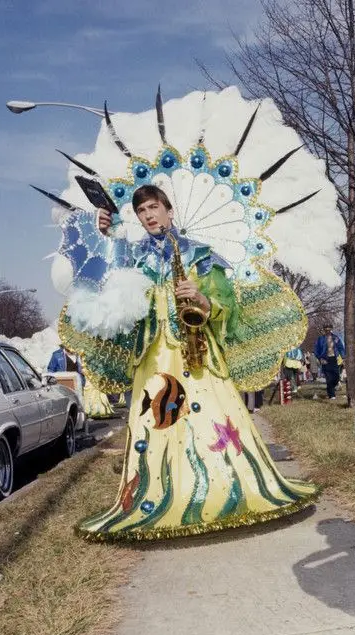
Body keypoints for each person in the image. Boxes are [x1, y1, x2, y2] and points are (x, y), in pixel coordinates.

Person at [57, 184, 318, 539]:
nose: (148, 216)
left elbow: (230, 309)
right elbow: (102, 279)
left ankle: (221, 490)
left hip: (198, 355)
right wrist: (102, 231)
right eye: (141, 212)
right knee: (158, 423)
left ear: (168, 210)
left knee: (210, 420)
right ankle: (162, 494)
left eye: (153, 208)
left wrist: (200, 298)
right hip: (152, 360)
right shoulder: (131, 257)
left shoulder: (199, 255)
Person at [314, 324, 345, 400]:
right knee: (328, 378)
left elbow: (340, 347)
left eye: (329, 330)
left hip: (334, 359)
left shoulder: (335, 338)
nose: (327, 331)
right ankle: (332, 395)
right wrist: (320, 358)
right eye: (326, 330)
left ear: (331, 329)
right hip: (325, 359)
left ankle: (330, 389)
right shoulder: (320, 339)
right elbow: (316, 350)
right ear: (324, 330)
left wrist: (343, 357)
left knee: (336, 377)